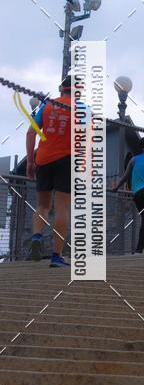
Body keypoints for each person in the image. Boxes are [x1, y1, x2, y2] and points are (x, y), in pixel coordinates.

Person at [26, 75, 72, 268]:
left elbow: (30, 132)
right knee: (62, 207)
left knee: (43, 205)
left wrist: (30, 161)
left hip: (43, 159)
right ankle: (56, 256)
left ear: (61, 89)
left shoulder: (47, 106)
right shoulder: (83, 110)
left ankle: (37, 235)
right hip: (66, 160)